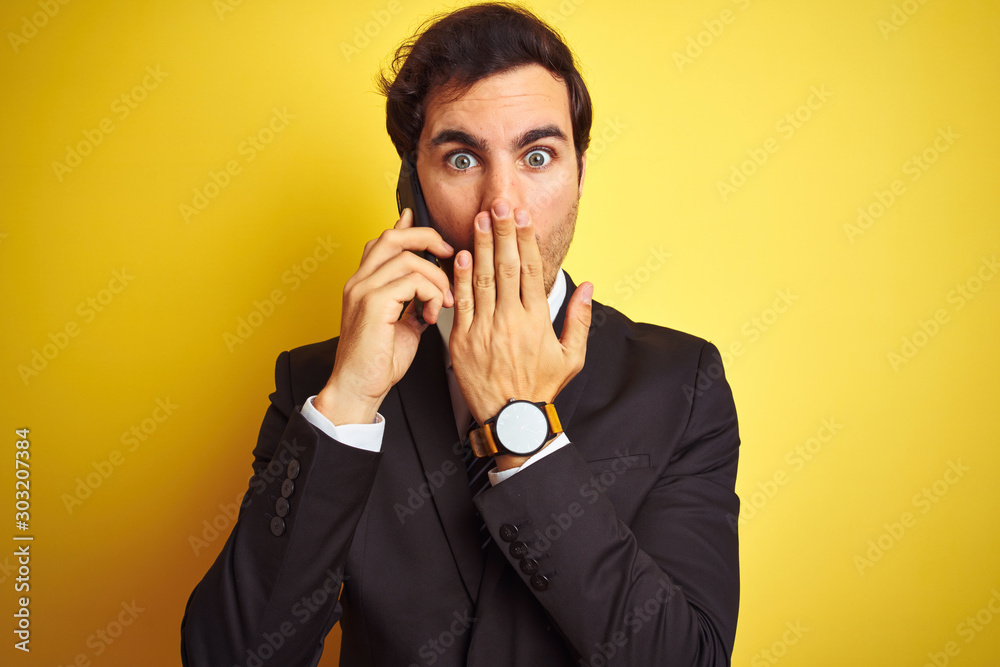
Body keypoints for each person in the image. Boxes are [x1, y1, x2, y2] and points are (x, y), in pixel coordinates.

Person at [181, 3, 740, 666]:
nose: (502, 203)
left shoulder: (680, 382)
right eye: (461, 158)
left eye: (537, 155)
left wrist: (522, 433)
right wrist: (351, 403)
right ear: (412, 184)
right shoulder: (320, 387)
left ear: (580, 174)